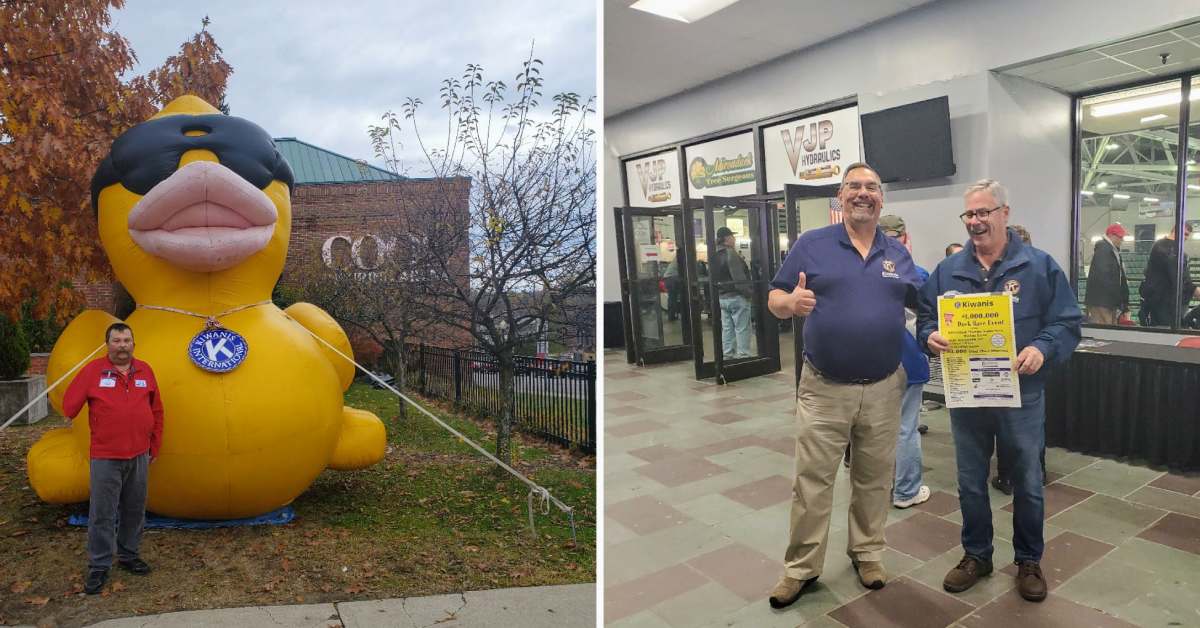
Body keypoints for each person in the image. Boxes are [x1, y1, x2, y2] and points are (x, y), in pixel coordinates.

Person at [918, 179, 1081, 603]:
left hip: (1022, 395)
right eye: (969, 214)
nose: (975, 221)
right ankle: (977, 555)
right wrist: (929, 334)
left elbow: (1066, 322)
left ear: (1005, 214)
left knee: (1027, 481)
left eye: (983, 212)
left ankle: (1028, 559)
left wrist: (1041, 349)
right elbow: (922, 316)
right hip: (968, 395)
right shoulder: (947, 271)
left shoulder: (1039, 266)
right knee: (970, 482)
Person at [765, 163, 920, 608]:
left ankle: (868, 554)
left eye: (872, 187)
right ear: (840, 195)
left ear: (881, 199)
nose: (863, 193)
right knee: (812, 483)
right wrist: (789, 303)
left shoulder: (898, 253)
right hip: (824, 387)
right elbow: (775, 297)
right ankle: (800, 569)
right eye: (854, 186)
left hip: (884, 386)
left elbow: (923, 304)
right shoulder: (812, 244)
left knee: (874, 481)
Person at [63, 323, 164, 595]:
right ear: (107, 345)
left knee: (134, 508)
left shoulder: (145, 370)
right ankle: (99, 564)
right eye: (117, 341)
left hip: (139, 454)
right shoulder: (93, 371)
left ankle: (129, 554)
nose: (122, 345)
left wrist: (154, 445)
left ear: (133, 343)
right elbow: (69, 407)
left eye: (127, 340)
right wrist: (71, 404)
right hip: (106, 456)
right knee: (102, 513)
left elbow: (157, 411)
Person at [878, 214, 931, 509]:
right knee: (905, 428)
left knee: (874, 429)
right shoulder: (916, 272)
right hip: (908, 361)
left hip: (868, 363)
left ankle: (877, 489)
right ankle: (906, 491)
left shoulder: (862, 270)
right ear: (905, 238)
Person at [1141, 223, 1199, 327]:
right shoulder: (1167, 249)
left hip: (1162, 300)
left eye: (1187, 235)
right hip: (1164, 302)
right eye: (1184, 234)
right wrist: (1194, 289)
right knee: (1165, 333)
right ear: (1176, 231)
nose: (1185, 238)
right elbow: (1180, 276)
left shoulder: (1160, 246)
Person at [711, 226, 753, 358]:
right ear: (727, 239)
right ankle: (743, 356)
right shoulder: (731, 253)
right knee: (742, 328)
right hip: (736, 297)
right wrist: (748, 293)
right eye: (732, 236)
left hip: (722, 297)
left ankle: (728, 355)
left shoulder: (714, 254)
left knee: (727, 328)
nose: (734, 239)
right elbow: (738, 277)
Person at [1084, 223, 1129, 326]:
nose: (1122, 240)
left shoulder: (1109, 250)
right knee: (1104, 330)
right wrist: (1117, 299)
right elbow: (1104, 276)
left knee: (1108, 329)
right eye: (1120, 237)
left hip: (1106, 301)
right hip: (1102, 301)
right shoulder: (1104, 250)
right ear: (1111, 235)